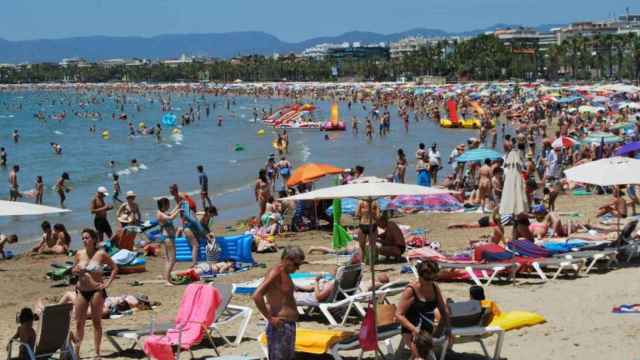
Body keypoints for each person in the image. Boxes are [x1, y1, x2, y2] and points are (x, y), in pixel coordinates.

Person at [71, 228, 118, 359]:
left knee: (96, 321)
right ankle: (77, 353)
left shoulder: (101, 254)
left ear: (93, 239)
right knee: (79, 322)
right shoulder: (79, 253)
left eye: (87, 238)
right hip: (81, 290)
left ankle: (97, 353)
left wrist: (108, 283)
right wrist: (75, 271)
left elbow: (114, 268)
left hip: (97, 290)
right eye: (83, 238)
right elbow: (73, 270)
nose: (84, 240)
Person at [252, 246, 305, 360]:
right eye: (296, 264)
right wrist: (270, 318)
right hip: (280, 326)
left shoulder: (285, 274)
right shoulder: (276, 272)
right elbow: (257, 295)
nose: (297, 268)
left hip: (287, 326)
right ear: (286, 259)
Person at [396, 260, 450, 360]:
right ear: (420, 275)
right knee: (419, 357)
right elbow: (399, 315)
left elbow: (443, 309)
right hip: (411, 329)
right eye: (427, 278)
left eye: (433, 277)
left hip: (428, 328)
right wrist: (414, 330)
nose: (430, 280)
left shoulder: (434, 287)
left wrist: (445, 326)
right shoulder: (411, 290)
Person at [156, 197, 180, 286]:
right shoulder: (160, 214)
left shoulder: (163, 212)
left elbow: (171, 213)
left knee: (169, 259)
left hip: (169, 238)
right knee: (172, 259)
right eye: (168, 205)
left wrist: (178, 205)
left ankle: (167, 278)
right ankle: (166, 280)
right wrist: (179, 211)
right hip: (168, 238)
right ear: (164, 205)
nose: (169, 206)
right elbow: (171, 217)